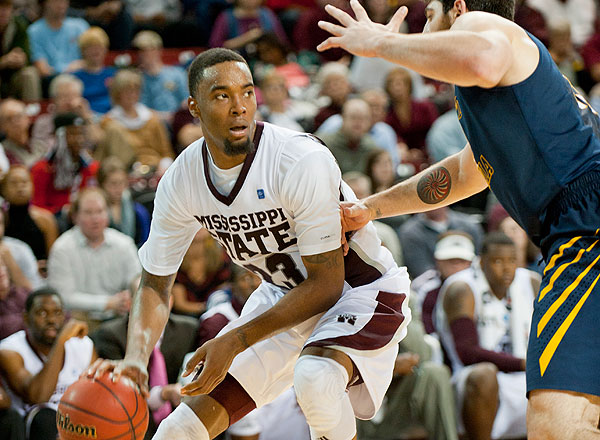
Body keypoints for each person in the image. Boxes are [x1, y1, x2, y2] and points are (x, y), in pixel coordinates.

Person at [87, 48, 411, 440]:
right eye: (222, 95)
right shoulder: (181, 180)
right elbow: (155, 284)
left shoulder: (298, 159)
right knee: (178, 429)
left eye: (247, 92)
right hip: (284, 298)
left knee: (315, 377)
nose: (239, 107)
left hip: (361, 291)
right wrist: (136, 358)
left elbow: (327, 284)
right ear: (194, 106)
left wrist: (235, 338)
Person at [318, 0, 600, 437]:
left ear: (458, 8)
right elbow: (464, 174)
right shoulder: (501, 96)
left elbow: (480, 56)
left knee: (557, 419)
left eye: (429, 12)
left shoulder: (486, 28)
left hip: (585, 226)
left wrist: (381, 42)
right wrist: (371, 208)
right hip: (574, 227)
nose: (423, 24)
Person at [435, 232, 540, 439]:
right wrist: (523, 364)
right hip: (471, 381)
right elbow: (467, 353)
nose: (507, 268)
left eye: (512, 260)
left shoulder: (531, 282)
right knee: (485, 374)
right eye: (498, 261)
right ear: (481, 262)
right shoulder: (462, 288)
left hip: (524, 375)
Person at [90, 295, 198, 438]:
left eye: (162, 298)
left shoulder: (189, 329)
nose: (155, 306)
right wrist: (164, 393)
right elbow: (121, 396)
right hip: (133, 416)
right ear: (130, 303)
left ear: (171, 301)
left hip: (179, 414)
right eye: (146, 298)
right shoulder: (111, 335)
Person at [0, 288, 95, 440]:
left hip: (77, 422)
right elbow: (39, 397)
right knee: (46, 417)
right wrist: (61, 341)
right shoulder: (9, 351)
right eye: (42, 313)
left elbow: (97, 393)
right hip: (35, 427)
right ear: (26, 318)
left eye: (57, 313)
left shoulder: (83, 345)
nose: (51, 320)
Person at [47, 187, 140, 321]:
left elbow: (135, 279)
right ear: (75, 217)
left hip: (120, 318)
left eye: (100, 211)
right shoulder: (62, 248)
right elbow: (64, 296)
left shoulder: (124, 243)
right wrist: (108, 303)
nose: (95, 218)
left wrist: (135, 293)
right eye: (88, 213)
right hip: (79, 319)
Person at [30, 112, 99, 214]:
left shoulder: (90, 167)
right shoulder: (43, 168)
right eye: (72, 134)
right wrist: (63, 212)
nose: (78, 140)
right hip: (54, 221)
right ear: (59, 137)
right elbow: (36, 207)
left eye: (80, 134)